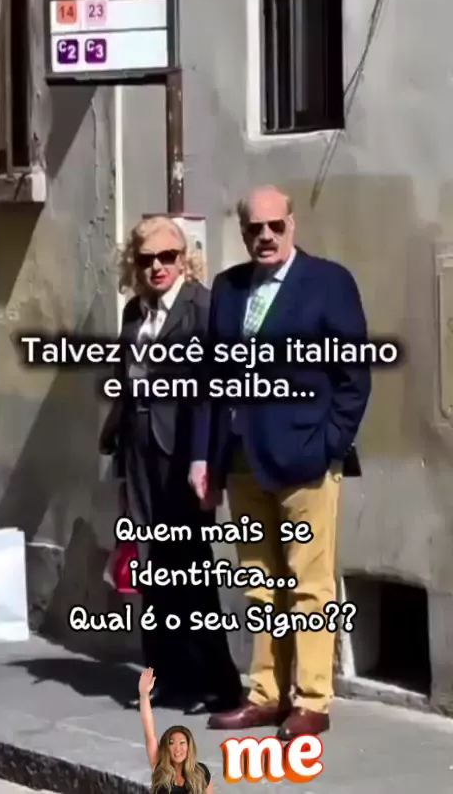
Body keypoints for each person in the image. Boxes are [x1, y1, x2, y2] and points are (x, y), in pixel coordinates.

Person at [189, 186, 371, 739]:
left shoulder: (328, 283)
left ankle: (312, 699)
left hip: (306, 461)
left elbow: (353, 377)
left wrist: (329, 444)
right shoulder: (228, 288)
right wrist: (204, 457)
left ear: (292, 224)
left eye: (275, 226)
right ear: (243, 231)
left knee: (309, 583)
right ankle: (266, 694)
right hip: (242, 460)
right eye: (254, 228)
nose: (265, 236)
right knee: (260, 582)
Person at [99, 215, 242, 714]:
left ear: (184, 259)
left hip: (183, 453)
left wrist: (209, 461)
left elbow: (216, 389)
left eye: (167, 257)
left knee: (189, 565)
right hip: (139, 449)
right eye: (146, 259)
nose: (157, 267)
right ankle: (166, 674)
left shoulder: (203, 308)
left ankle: (218, 682)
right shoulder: (133, 312)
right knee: (151, 564)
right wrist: (121, 462)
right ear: (134, 264)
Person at [139, 668, 213, 794]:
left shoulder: (201, 772)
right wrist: (144, 696)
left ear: (189, 747)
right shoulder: (160, 769)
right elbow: (150, 733)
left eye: (182, 743)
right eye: (172, 743)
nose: (177, 748)